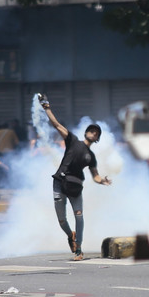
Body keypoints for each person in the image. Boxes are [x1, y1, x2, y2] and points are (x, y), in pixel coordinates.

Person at [39, 93, 112, 261]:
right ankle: (70, 235)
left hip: (75, 187)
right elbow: (56, 125)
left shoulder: (91, 156)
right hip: (59, 182)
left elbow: (95, 176)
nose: (93, 133)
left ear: (97, 139)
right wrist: (47, 108)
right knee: (62, 219)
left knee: (79, 215)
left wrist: (103, 181)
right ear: (86, 132)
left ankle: (79, 249)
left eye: (96, 133)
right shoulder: (72, 140)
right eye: (91, 131)